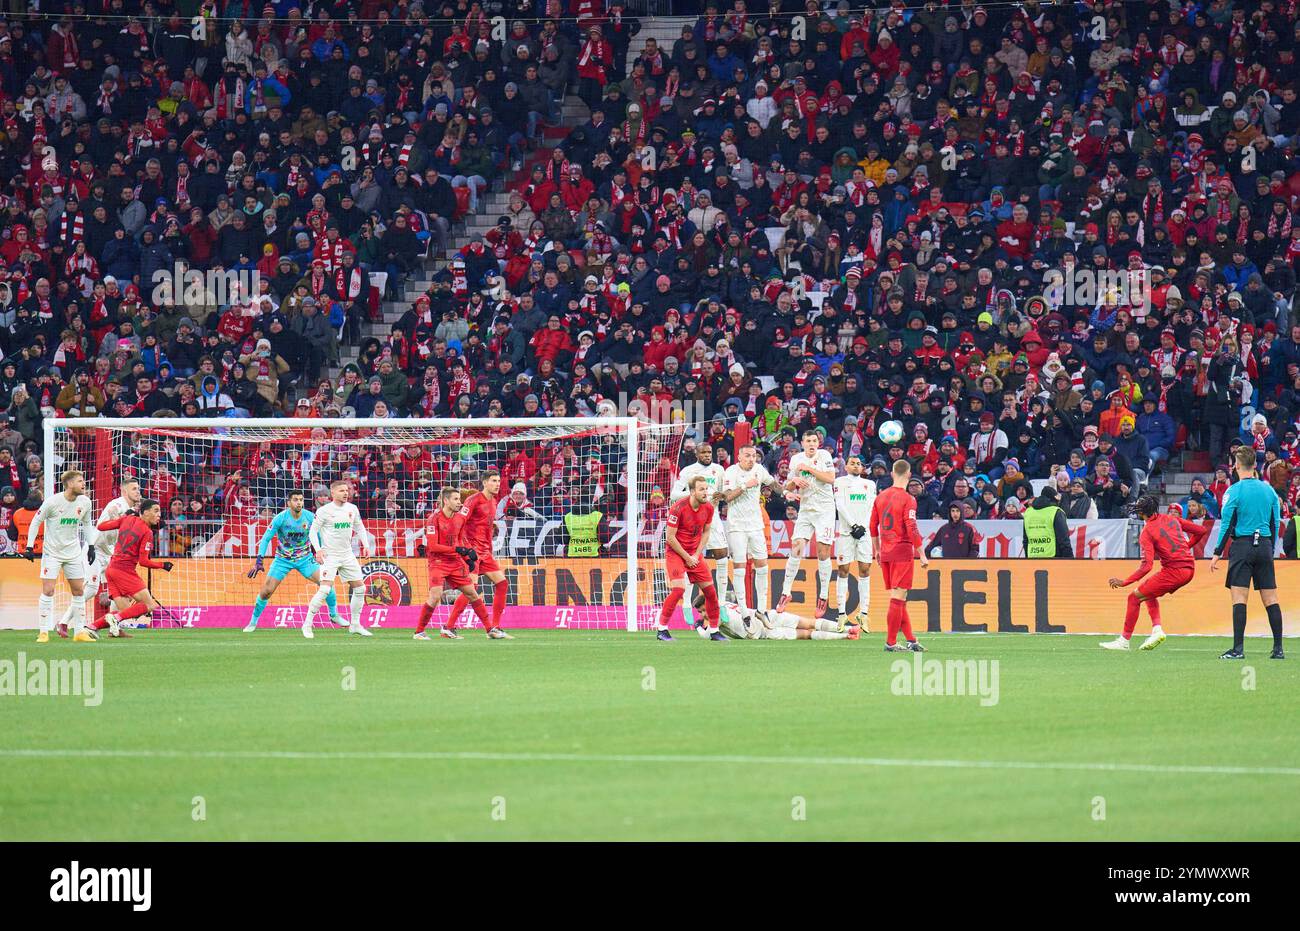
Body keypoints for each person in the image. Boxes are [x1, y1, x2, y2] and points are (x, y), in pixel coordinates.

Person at [1101, 494, 1211, 652]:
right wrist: (1187, 546)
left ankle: (1124, 641)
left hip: (1174, 571)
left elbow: (1147, 566)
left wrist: (1124, 582)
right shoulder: (1172, 519)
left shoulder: (1147, 532)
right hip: (1189, 568)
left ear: (1141, 512)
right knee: (1147, 592)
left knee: (1133, 598)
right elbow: (1201, 531)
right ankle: (1156, 630)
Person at [1211, 447, 1285, 660]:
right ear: (1254, 466)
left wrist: (1217, 552)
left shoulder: (1233, 491)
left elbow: (1226, 524)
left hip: (1242, 546)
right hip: (1264, 545)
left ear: (1235, 465)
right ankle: (1278, 649)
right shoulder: (1268, 490)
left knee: (1239, 598)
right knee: (1270, 597)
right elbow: (1275, 521)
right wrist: (1269, 548)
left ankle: (1238, 649)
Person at [244, 490, 339, 632]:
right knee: (266, 591)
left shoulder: (310, 517)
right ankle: (253, 622)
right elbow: (265, 539)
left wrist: (321, 554)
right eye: (295, 500)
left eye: (301, 500)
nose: (299, 502)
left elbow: (319, 535)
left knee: (327, 582)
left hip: (305, 559)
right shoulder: (280, 518)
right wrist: (259, 560)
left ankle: (334, 615)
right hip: (283, 559)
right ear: (289, 503)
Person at [58, 478, 141, 638]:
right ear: (124, 491)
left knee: (119, 591)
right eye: (134, 489)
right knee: (91, 589)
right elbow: (113, 514)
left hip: (110, 553)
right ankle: (63, 622)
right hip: (94, 550)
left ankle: (114, 627)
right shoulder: (117, 504)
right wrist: (126, 516)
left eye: (138, 488)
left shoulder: (131, 509)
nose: (137, 491)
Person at [27, 470, 98, 643]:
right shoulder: (52, 502)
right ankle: (43, 632)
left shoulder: (85, 502)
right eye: (80, 481)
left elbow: (87, 523)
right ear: (69, 484)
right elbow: (36, 521)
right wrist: (30, 545)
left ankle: (79, 632)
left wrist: (91, 546)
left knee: (78, 590)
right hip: (52, 553)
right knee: (49, 590)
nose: (83, 484)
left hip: (73, 553)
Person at [414, 487, 494, 639]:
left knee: (472, 593)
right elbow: (433, 546)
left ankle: (490, 629)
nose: (460, 502)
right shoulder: (433, 518)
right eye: (456, 499)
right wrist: (459, 550)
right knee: (435, 595)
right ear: (446, 501)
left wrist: (468, 558)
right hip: (438, 562)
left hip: (455, 562)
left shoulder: (460, 518)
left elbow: (460, 540)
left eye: (460, 499)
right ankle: (419, 632)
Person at [443, 472, 512, 637]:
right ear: (485, 483)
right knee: (471, 590)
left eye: (498, 481)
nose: (497, 484)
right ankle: (448, 627)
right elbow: (459, 521)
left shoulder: (494, 502)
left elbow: (487, 528)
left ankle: (495, 626)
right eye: (494, 481)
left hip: (485, 552)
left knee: (502, 583)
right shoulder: (473, 500)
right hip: (472, 551)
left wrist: (489, 548)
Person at [870, 458, 928, 653]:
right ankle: (891, 642)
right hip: (902, 551)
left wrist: (876, 550)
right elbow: (911, 527)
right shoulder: (909, 499)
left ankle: (911, 640)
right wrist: (922, 553)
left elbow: (872, 526)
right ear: (909, 475)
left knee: (900, 597)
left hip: (885, 552)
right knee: (898, 597)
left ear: (892, 474)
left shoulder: (880, 497)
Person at [778, 430, 838, 617]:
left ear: (818, 443)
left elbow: (830, 478)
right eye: (808, 441)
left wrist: (809, 469)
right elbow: (787, 486)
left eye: (814, 440)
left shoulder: (824, 455)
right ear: (802, 443)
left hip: (825, 509)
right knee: (796, 548)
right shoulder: (795, 460)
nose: (812, 444)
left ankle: (823, 596)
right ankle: (785, 592)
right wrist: (793, 481)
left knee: (822, 552)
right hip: (805, 509)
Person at [304, 480, 374, 639]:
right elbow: (312, 532)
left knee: (360, 588)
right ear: (333, 493)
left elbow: (359, 527)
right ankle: (307, 624)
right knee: (325, 590)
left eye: (347, 490)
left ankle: (355, 625)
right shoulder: (324, 511)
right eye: (342, 490)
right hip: (330, 555)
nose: (346, 493)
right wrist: (318, 550)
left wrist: (366, 544)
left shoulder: (352, 508)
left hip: (347, 554)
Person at [657, 476, 723, 642]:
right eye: (701, 489)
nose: (705, 492)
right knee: (679, 590)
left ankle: (714, 631)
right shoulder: (677, 508)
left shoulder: (708, 508)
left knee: (710, 592)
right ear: (692, 491)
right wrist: (687, 557)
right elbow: (670, 538)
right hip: (676, 553)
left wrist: (696, 554)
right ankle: (662, 629)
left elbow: (706, 532)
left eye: (706, 489)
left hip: (694, 554)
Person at [96, 499, 174, 631]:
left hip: (111, 569)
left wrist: (121, 518)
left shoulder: (126, 519)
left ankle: (91, 627)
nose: (159, 514)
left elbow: (100, 526)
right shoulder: (147, 532)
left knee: (124, 611)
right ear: (145, 512)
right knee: (148, 605)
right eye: (156, 510)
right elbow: (144, 562)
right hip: (124, 571)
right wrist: (163, 565)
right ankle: (115, 620)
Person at [671, 442, 730, 608]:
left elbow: (725, 492)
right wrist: (694, 494)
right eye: (703, 452)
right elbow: (674, 494)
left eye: (709, 452)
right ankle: (687, 604)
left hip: (713, 517)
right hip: (693, 519)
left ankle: (723, 602)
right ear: (697, 454)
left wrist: (722, 495)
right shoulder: (688, 471)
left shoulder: (719, 469)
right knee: (691, 560)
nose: (707, 455)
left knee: (722, 556)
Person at [721, 443, 776, 613]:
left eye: (753, 456)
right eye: (747, 456)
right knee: (740, 567)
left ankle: (761, 610)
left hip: (756, 525)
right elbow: (727, 497)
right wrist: (746, 485)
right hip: (737, 526)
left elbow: (772, 483)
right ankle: (744, 610)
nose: (751, 459)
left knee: (762, 566)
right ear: (739, 457)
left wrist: (787, 492)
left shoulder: (759, 469)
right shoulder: (731, 472)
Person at [833, 453, 876, 630]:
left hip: (864, 533)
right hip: (846, 533)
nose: (856, 466)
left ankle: (863, 614)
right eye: (853, 463)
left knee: (865, 570)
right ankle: (841, 615)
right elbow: (840, 505)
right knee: (843, 570)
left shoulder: (870, 484)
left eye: (859, 463)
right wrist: (853, 526)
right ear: (846, 466)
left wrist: (862, 527)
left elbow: (871, 506)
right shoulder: (839, 482)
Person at [1021, 485, 1073, 558]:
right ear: (1054, 498)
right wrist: (1070, 560)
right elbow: (1064, 540)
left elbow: (1025, 540)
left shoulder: (1028, 512)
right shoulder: (1056, 512)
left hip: (1032, 557)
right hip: (1053, 557)